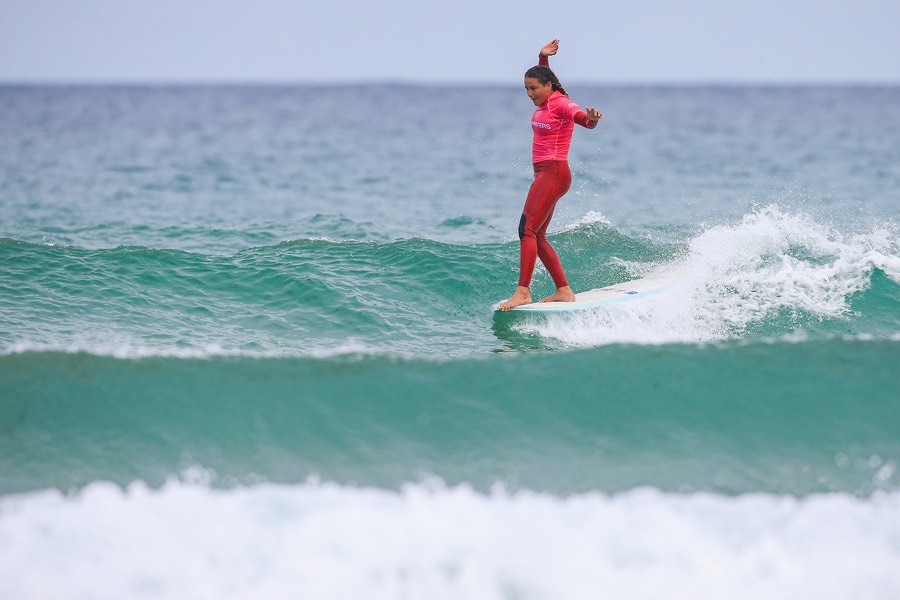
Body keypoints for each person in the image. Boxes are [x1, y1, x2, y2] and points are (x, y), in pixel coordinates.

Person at [498, 39, 602, 311]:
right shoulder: (547, 96)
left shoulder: (562, 104)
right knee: (538, 234)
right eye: (526, 89)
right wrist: (542, 57)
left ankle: (523, 292)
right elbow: (545, 76)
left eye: (533, 89)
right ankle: (564, 290)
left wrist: (591, 119)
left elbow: (583, 121)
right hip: (546, 174)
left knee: (526, 229)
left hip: (554, 173)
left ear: (548, 87)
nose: (530, 94)